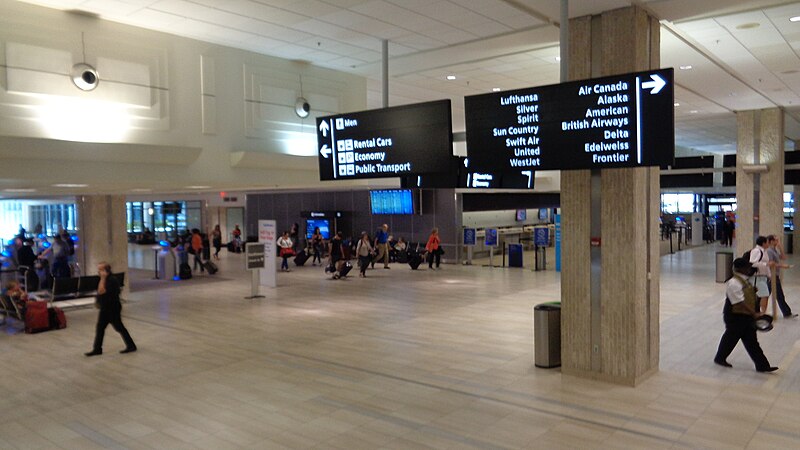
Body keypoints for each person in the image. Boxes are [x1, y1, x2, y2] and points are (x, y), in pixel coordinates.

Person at [713, 258, 777, 372]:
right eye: (747, 267)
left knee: (750, 341)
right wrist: (754, 314)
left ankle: (762, 365)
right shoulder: (733, 283)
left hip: (744, 316)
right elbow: (739, 302)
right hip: (735, 316)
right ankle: (720, 358)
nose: (749, 269)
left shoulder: (744, 280)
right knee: (731, 338)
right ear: (740, 269)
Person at [85, 262, 136, 356]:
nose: (99, 272)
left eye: (100, 269)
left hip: (112, 308)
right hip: (105, 308)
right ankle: (97, 349)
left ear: (106, 270)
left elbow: (101, 291)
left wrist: (103, 278)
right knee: (100, 328)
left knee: (119, 327)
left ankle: (131, 345)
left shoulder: (111, 280)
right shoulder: (103, 279)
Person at [766, 235, 797, 318]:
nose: (777, 242)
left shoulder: (774, 250)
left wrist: (780, 247)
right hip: (771, 276)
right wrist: (783, 266)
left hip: (775, 276)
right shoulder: (769, 251)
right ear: (771, 241)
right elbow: (771, 263)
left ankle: (787, 313)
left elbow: (784, 257)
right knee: (767, 295)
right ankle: (787, 313)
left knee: (778, 295)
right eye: (776, 240)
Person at [748, 236, 771, 313]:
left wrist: (769, 275)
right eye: (767, 242)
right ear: (763, 243)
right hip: (757, 277)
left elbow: (767, 264)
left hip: (762, 277)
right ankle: (763, 312)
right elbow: (753, 263)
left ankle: (761, 312)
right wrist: (765, 264)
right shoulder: (756, 251)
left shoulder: (764, 251)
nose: (768, 244)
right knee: (764, 294)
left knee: (762, 295)